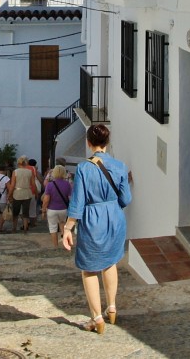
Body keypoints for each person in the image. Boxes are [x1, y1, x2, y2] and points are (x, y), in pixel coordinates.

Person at [61, 124, 132, 334]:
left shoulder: (84, 168)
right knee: (110, 263)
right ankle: (112, 308)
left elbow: (78, 202)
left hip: (93, 219)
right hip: (115, 217)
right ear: (107, 142)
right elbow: (126, 198)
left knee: (89, 269)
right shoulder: (119, 165)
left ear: (89, 143)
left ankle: (97, 319)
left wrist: (68, 228)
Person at [41, 165, 72, 248]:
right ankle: (65, 243)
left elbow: (46, 199)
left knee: (53, 228)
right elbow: (70, 198)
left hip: (52, 209)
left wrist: (43, 210)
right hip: (64, 209)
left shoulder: (50, 185)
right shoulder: (67, 184)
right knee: (63, 225)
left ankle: (56, 246)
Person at [6, 155, 38, 233]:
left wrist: (9, 194)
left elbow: (12, 185)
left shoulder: (15, 172)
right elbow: (33, 184)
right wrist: (36, 193)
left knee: (16, 212)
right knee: (25, 213)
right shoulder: (30, 172)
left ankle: (14, 228)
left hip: (17, 193)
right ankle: (25, 228)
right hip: (27, 192)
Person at [28, 158, 42, 224]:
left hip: (28, 189)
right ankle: (34, 220)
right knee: (36, 204)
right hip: (36, 189)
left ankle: (28, 220)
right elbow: (40, 179)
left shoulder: (27, 170)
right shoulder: (35, 171)